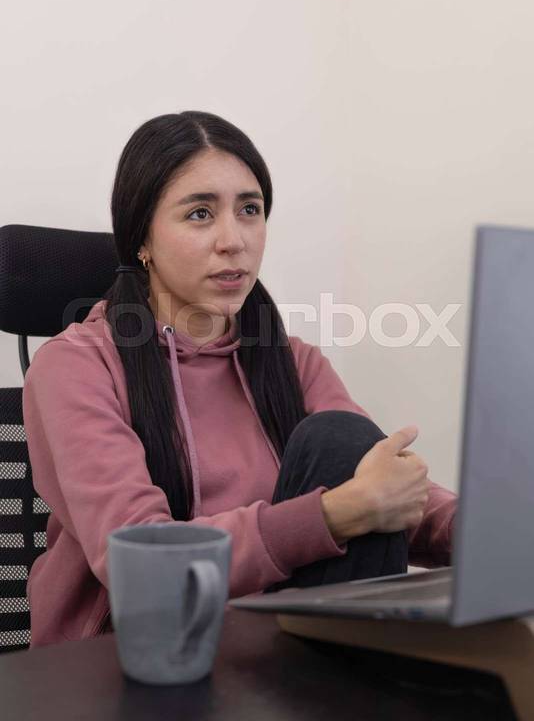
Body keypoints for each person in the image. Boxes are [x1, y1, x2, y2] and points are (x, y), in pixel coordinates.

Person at [22, 111, 457, 647]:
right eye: (200, 213)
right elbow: (143, 569)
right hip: (133, 655)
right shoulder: (75, 366)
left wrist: (494, 534)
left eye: (250, 210)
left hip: (268, 646)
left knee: (342, 440)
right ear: (143, 240)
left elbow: (381, 486)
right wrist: (333, 515)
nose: (234, 240)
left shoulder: (292, 362)